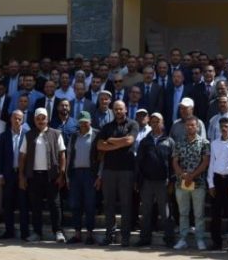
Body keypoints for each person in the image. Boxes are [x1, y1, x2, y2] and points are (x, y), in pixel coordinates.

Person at [19, 107, 67, 243]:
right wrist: (21, 176)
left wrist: (62, 174)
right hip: (34, 176)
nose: (41, 121)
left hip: (52, 176)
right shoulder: (29, 135)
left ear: (48, 119)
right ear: (34, 120)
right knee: (36, 206)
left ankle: (58, 232)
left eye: (43, 118)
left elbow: (62, 155)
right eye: (38, 119)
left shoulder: (56, 134)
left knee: (55, 205)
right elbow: (22, 156)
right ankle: (37, 233)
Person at [97, 100, 139, 246]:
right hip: (109, 170)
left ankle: (125, 237)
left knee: (126, 205)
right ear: (113, 110)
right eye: (116, 109)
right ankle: (109, 235)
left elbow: (129, 140)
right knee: (108, 205)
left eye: (121, 109)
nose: (118, 111)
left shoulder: (133, 124)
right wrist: (119, 144)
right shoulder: (107, 126)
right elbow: (100, 145)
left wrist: (111, 141)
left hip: (126, 170)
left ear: (126, 109)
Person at [136, 112, 176, 248]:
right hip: (147, 182)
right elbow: (139, 162)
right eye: (152, 121)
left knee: (165, 212)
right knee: (146, 211)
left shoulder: (169, 141)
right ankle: (144, 238)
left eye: (157, 121)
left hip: (163, 182)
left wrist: (172, 181)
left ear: (162, 123)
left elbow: (173, 164)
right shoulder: (145, 141)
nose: (155, 124)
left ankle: (169, 239)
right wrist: (138, 180)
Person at [172, 116, 211, 251]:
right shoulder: (179, 142)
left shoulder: (204, 143)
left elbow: (205, 162)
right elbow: (175, 161)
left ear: (197, 127)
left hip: (198, 183)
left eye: (193, 125)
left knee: (199, 214)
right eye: (188, 125)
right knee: (183, 213)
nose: (190, 127)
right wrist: (182, 175)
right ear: (185, 127)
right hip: (181, 183)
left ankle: (200, 239)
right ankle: (183, 239)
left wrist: (192, 176)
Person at [65, 111, 100, 245]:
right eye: (81, 122)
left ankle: (90, 234)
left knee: (90, 205)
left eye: (86, 122)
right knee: (75, 205)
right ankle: (77, 234)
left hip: (90, 174)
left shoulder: (96, 134)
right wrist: (67, 176)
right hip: (75, 174)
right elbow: (69, 155)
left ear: (90, 121)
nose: (83, 125)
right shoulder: (74, 136)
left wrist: (99, 176)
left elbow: (102, 157)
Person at [0, 110, 30, 240]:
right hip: (8, 174)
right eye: (15, 118)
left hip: (22, 175)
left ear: (22, 120)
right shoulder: (4, 136)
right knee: (8, 204)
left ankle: (24, 232)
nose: (17, 121)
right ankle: (9, 231)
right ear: (10, 119)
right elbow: (0, 156)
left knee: (23, 204)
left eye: (19, 119)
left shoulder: (27, 135)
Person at [207, 117, 228, 251]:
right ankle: (216, 242)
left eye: (226, 126)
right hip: (217, 179)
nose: (224, 129)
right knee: (216, 214)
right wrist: (211, 184)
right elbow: (211, 163)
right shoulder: (214, 143)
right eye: (222, 127)